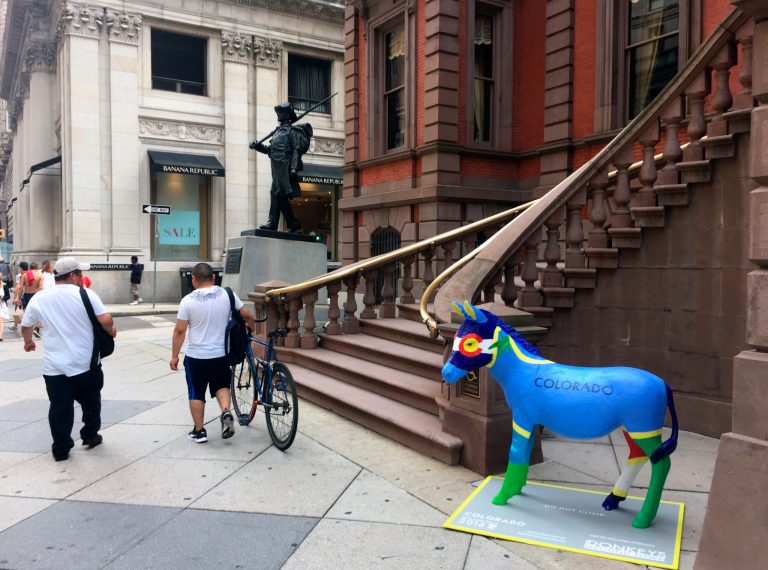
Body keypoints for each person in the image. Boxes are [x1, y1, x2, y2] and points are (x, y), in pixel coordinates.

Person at [21, 257, 117, 461]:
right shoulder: (86, 294)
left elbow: (26, 326)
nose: (82, 277)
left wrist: (28, 341)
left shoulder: (40, 297)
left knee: (59, 407)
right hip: (86, 363)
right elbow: (106, 320)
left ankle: (61, 449)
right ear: (73, 275)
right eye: (80, 273)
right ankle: (90, 435)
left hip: (54, 367)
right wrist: (111, 330)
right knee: (91, 402)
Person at [170, 262, 255, 443]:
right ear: (214, 277)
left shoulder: (187, 301)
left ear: (193, 279)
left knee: (196, 392)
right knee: (221, 385)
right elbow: (247, 314)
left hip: (196, 357)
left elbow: (179, 331)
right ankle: (225, 412)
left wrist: (174, 356)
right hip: (220, 354)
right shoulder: (227, 294)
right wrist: (252, 328)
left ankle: (199, 431)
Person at [249, 102, 312, 233]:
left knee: (277, 193)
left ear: (287, 115)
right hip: (276, 167)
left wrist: (294, 168)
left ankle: (273, 223)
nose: (279, 114)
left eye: (281, 112)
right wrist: (257, 146)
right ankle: (292, 223)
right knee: (278, 195)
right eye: (278, 112)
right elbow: (269, 150)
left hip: (285, 167)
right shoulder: (277, 132)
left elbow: (295, 151)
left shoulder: (292, 131)